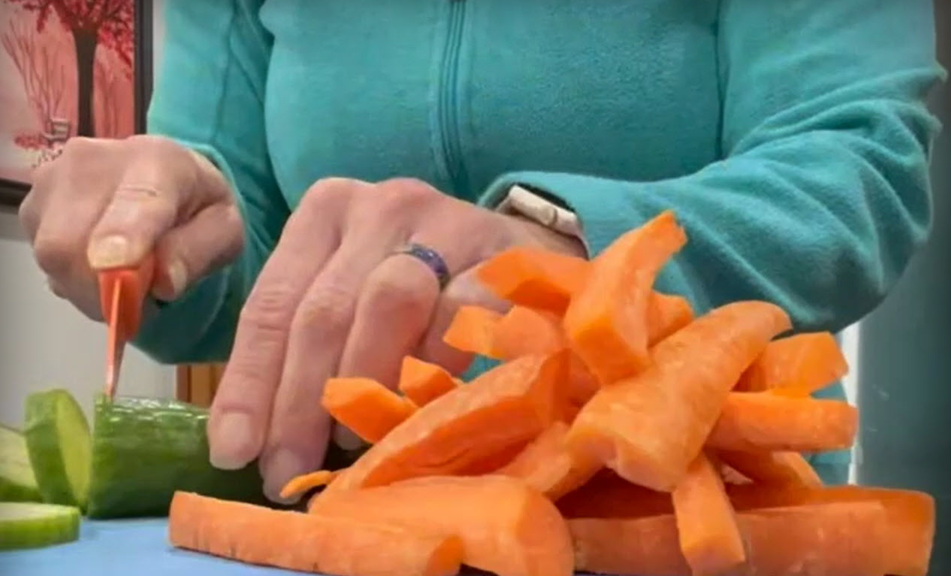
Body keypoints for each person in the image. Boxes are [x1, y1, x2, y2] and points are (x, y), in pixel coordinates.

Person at [17, 1, 944, 499]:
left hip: (696, 523)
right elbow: (249, 233)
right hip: (344, 517)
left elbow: (851, 173)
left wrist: (558, 246)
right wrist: (168, 245)